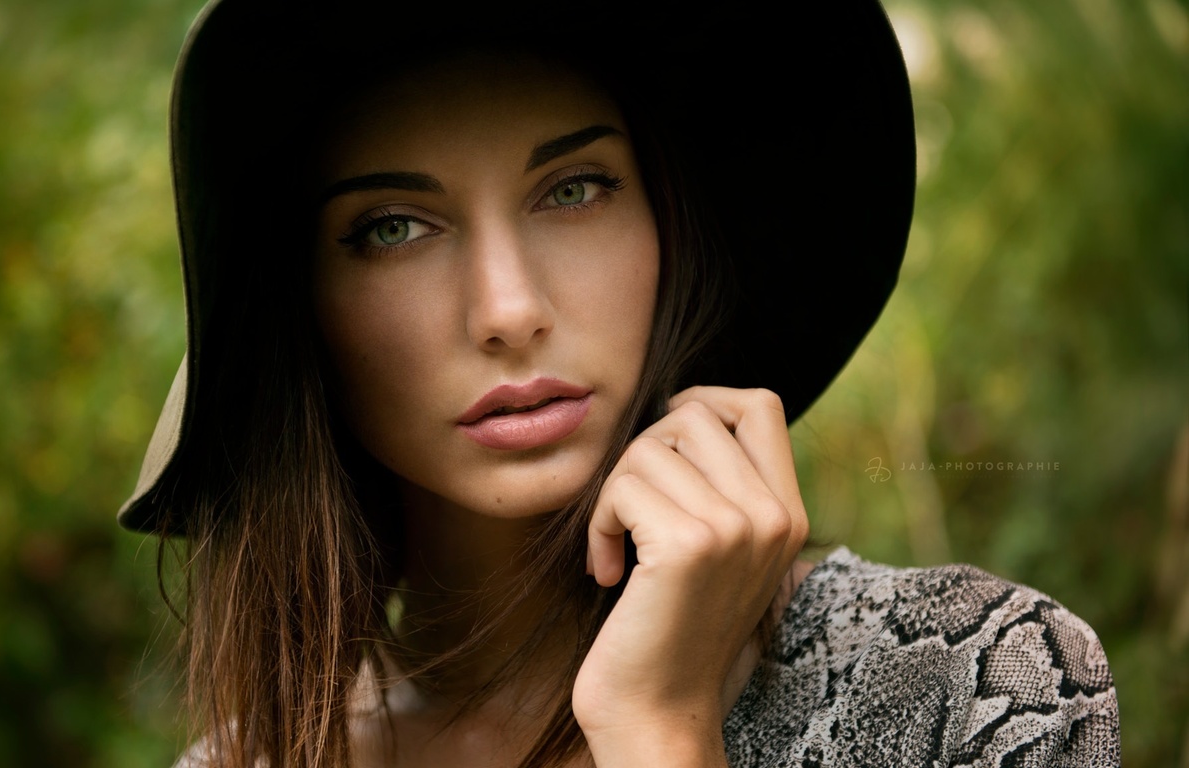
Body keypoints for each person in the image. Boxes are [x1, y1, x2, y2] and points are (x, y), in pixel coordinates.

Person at [117, 1, 1121, 766]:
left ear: (667, 230)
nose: (507, 310)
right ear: (304, 314)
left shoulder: (977, 676)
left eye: (573, 188)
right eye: (392, 227)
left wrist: (656, 727)